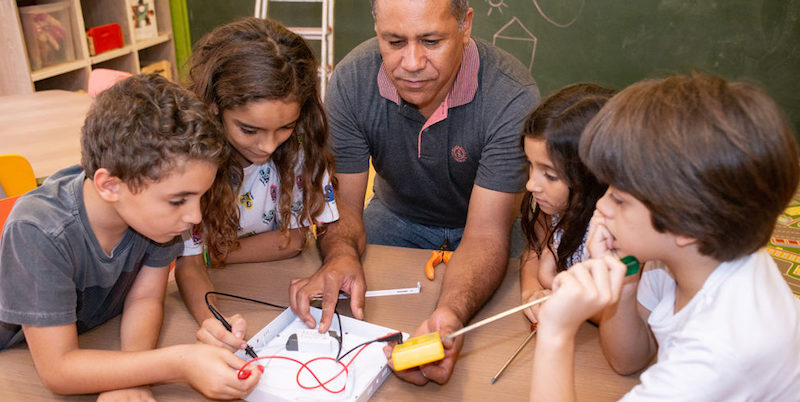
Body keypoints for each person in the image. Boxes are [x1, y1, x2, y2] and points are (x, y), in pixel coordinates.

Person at [304, 0, 541, 385]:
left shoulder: (511, 95)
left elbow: (484, 234)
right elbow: (343, 207)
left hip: (485, 228)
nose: (412, 62)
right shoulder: (350, 80)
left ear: (465, 26)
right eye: (394, 41)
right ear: (376, 27)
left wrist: (449, 315)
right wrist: (341, 254)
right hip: (396, 217)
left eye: (431, 41)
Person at [530, 72, 800, 401]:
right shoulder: (689, 255)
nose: (601, 205)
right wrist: (623, 278)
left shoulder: (723, 350)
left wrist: (557, 333)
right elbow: (628, 360)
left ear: (685, 223)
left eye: (619, 198)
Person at [0, 74, 262, 399]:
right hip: (16, 356)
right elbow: (58, 369)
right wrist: (178, 363)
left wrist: (131, 379)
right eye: (179, 200)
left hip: (87, 340)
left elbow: (144, 300)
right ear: (110, 186)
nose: (194, 216)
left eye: (200, 197)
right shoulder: (39, 230)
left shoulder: (154, 217)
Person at [176, 17, 341, 352]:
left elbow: (294, 240)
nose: (268, 146)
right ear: (214, 108)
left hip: (264, 286)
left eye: (284, 127)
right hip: (212, 291)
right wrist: (214, 323)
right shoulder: (188, 158)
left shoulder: (300, 149)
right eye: (249, 130)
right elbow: (185, 266)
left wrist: (210, 254)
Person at [518, 83, 614, 323]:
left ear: (592, 175)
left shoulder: (616, 231)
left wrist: (562, 295)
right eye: (530, 164)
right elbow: (533, 250)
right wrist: (531, 291)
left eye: (550, 175)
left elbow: (618, 316)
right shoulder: (555, 205)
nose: (531, 184)